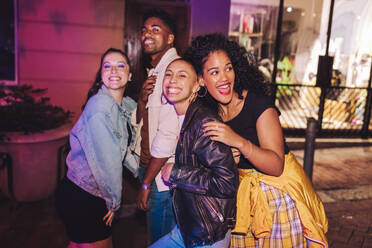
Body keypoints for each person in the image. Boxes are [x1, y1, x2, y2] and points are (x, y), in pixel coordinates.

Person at [184, 33, 328, 248]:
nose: (224, 77)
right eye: (214, 72)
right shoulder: (208, 112)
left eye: (228, 68)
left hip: (277, 201)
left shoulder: (258, 104)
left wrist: (239, 142)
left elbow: (276, 165)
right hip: (241, 201)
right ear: (202, 80)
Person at [150, 58, 238, 248]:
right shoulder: (183, 116)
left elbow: (226, 182)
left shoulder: (203, 122)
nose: (172, 80)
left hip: (208, 233)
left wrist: (176, 172)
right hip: (188, 227)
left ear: (197, 85)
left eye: (182, 75)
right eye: (169, 74)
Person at [55, 48, 138, 248]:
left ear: (130, 75)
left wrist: (140, 172)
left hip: (79, 191)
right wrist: (113, 201)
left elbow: (124, 147)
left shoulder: (124, 104)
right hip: (86, 195)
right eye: (107, 66)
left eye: (120, 66)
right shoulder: (100, 108)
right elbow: (107, 162)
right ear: (101, 74)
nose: (113, 71)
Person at [134, 8, 180, 245]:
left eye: (155, 29)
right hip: (149, 167)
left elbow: (167, 135)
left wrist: (146, 182)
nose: (146, 34)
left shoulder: (172, 71)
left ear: (170, 38)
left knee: (161, 241)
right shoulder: (155, 71)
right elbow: (143, 123)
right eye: (143, 30)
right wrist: (142, 100)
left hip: (160, 176)